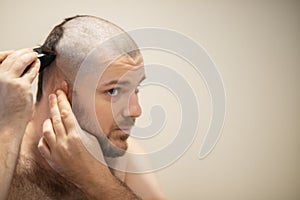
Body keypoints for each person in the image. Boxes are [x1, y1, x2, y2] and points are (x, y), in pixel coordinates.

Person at [0, 15, 165, 199]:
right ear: (59, 89)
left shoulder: (122, 157)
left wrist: (97, 181)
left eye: (136, 89)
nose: (136, 111)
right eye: (114, 91)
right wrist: (7, 124)